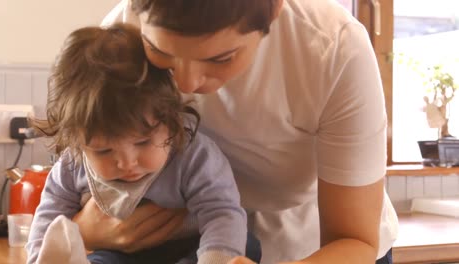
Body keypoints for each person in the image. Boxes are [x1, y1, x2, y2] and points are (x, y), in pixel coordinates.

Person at [73, 0, 399, 263]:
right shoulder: (120, 38)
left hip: (316, 244)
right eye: (161, 53)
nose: (186, 85)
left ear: (274, 8)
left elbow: (354, 239)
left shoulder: (333, 48)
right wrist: (84, 230)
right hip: (189, 240)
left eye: (221, 58)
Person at [26, 23, 261, 264]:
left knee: (247, 245)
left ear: (171, 120)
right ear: (76, 142)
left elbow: (222, 213)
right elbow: (49, 219)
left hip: (191, 246)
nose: (127, 163)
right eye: (103, 150)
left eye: (143, 142)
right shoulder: (72, 165)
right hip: (123, 255)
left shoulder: (194, 155)